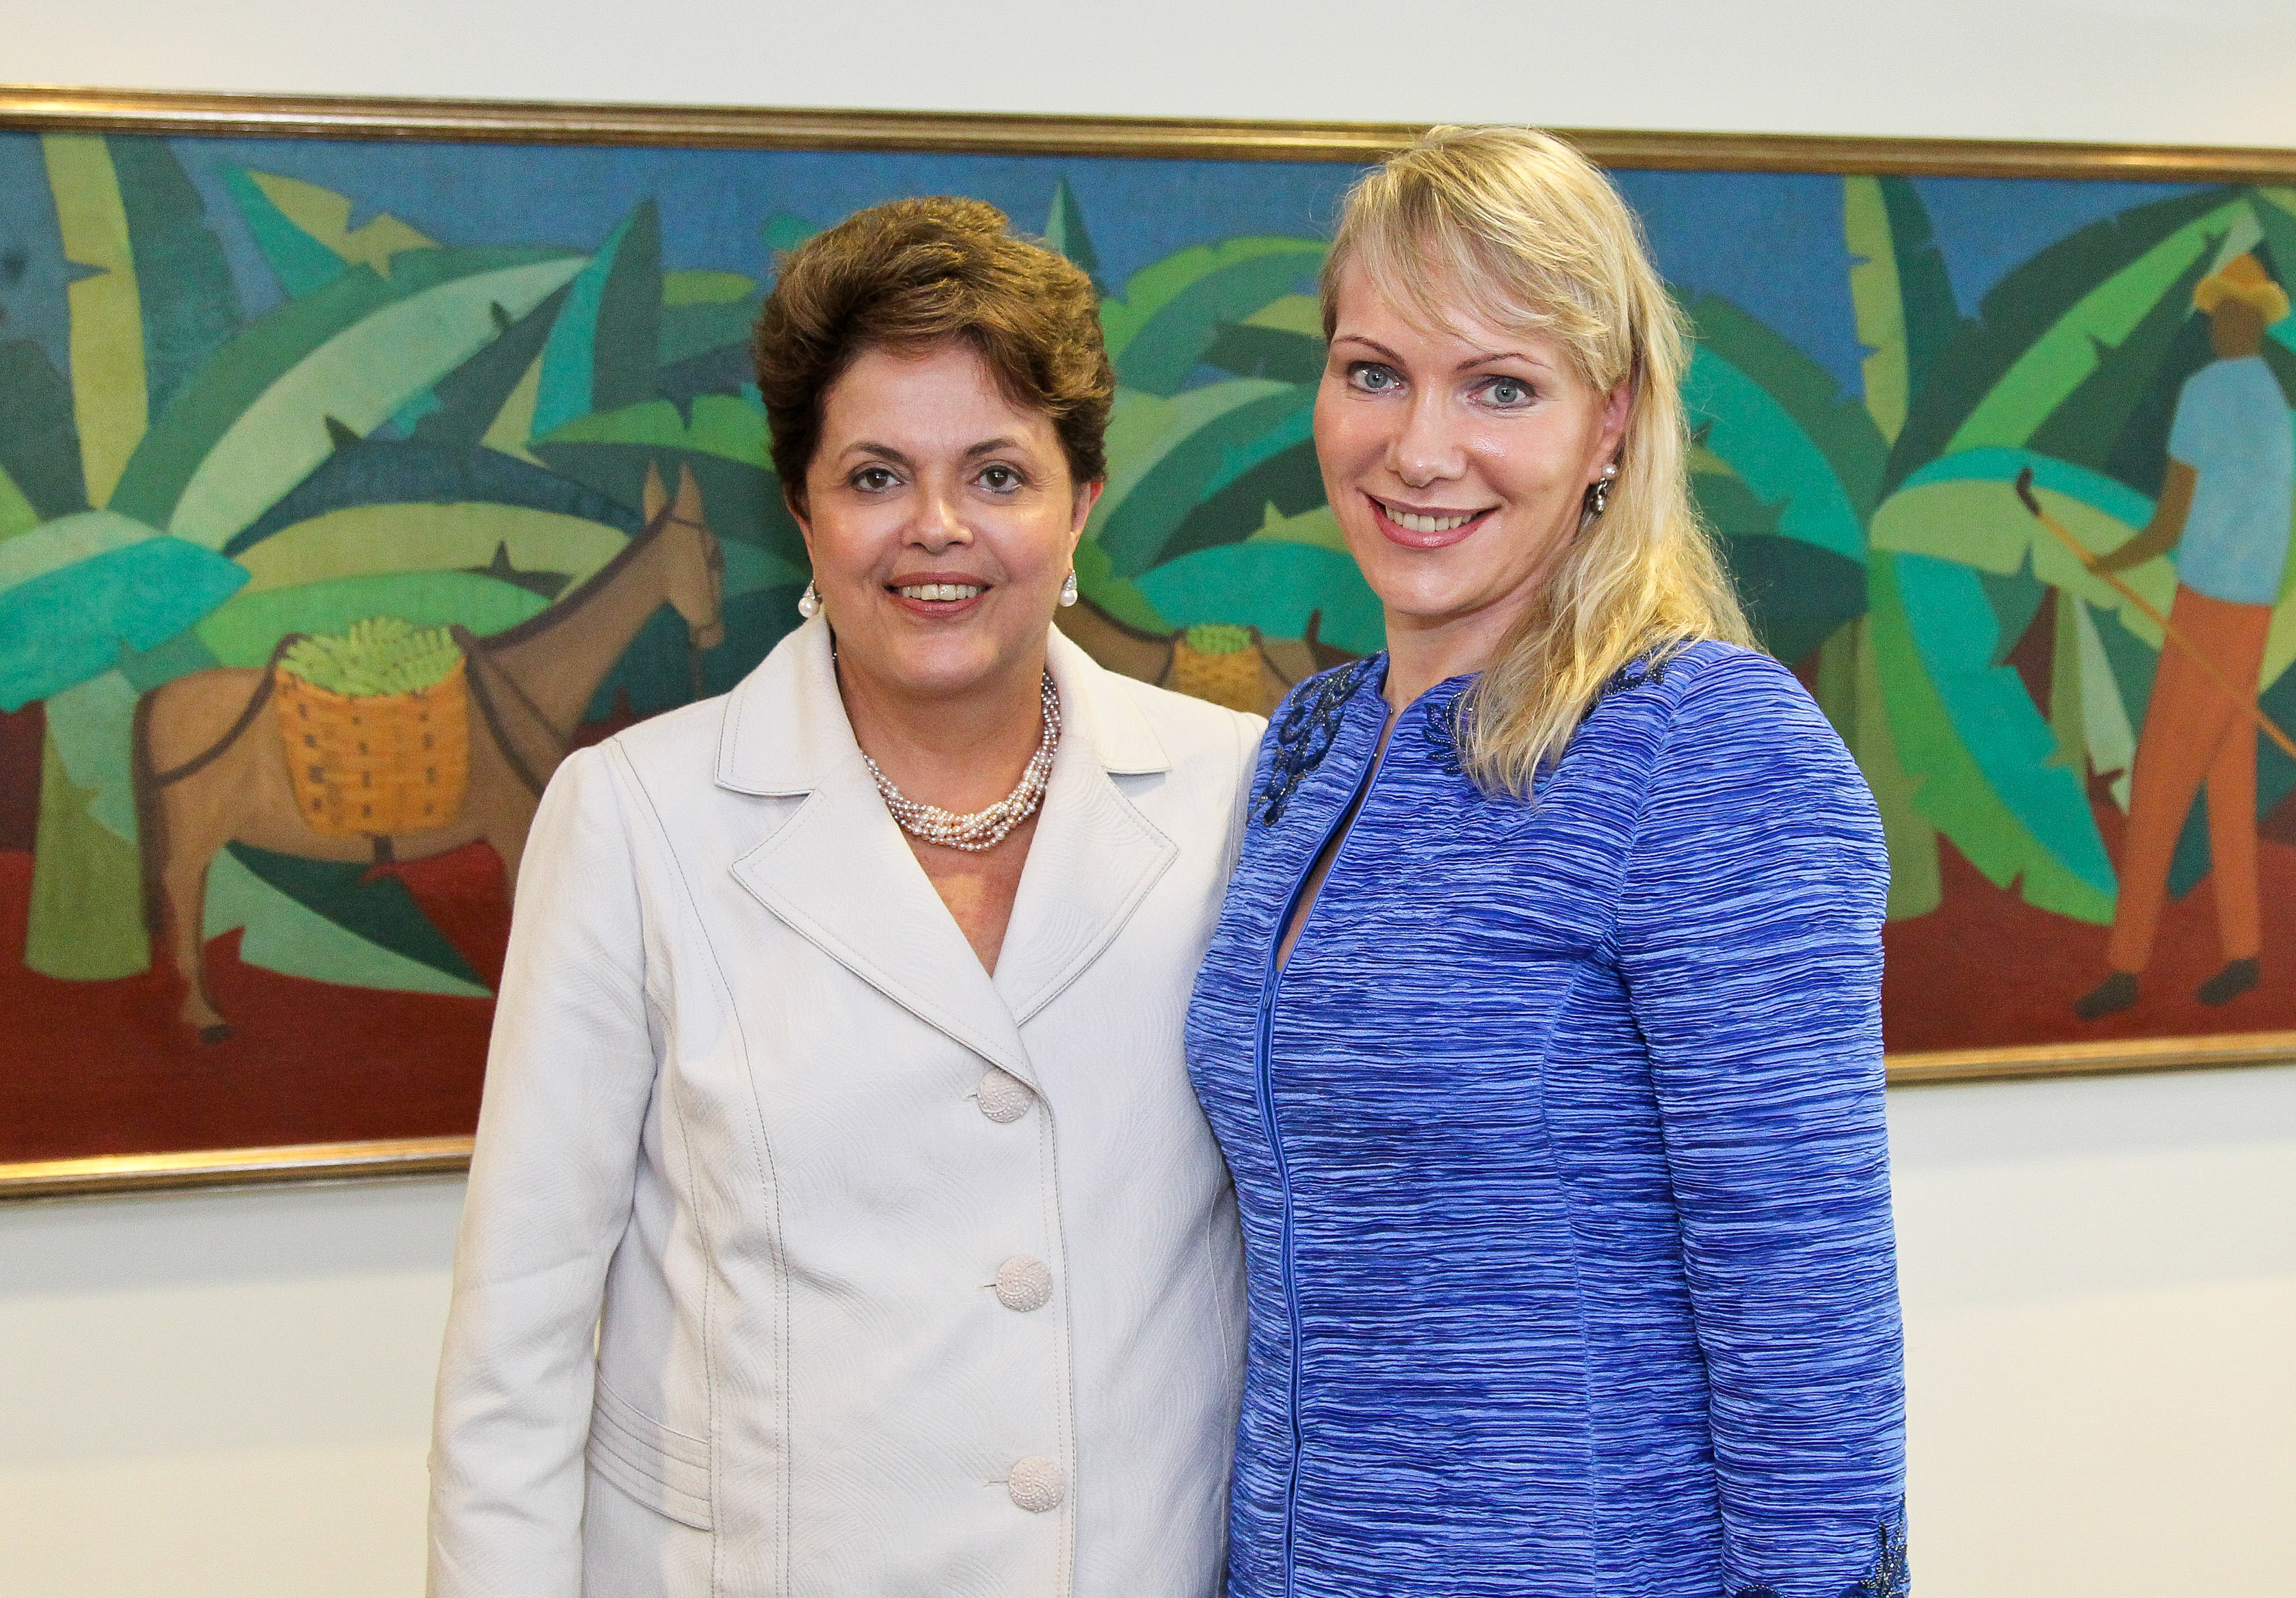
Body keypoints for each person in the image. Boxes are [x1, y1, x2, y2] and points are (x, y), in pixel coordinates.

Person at [430, 197, 1264, 1598]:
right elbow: (514, 1350)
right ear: (802, 507)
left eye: (997, 474)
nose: (936, 530)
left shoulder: (1240, 799)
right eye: (877, 474)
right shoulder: (636, 817)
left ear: (1079, 511)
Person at [1183, 127, 1907, 1597]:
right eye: (1373, 370)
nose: (1418, 448)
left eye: (1499, 386)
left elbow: (1806, 1329)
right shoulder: (1309, 743)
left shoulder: (1704, 747)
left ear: (1611, 424)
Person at [2075, 254, 2296, 1020]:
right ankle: (2241, 952)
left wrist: (2109, 561)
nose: (2215, 324)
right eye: (2214, 312)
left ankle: (2125, 966)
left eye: (2227, 312)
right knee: (2227, 787)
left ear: (2249, 319)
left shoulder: (2206, 392)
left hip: (2208, 608)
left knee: (2162, 783)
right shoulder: (2270, 398)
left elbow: (2169, 521)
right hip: (2251, 615)